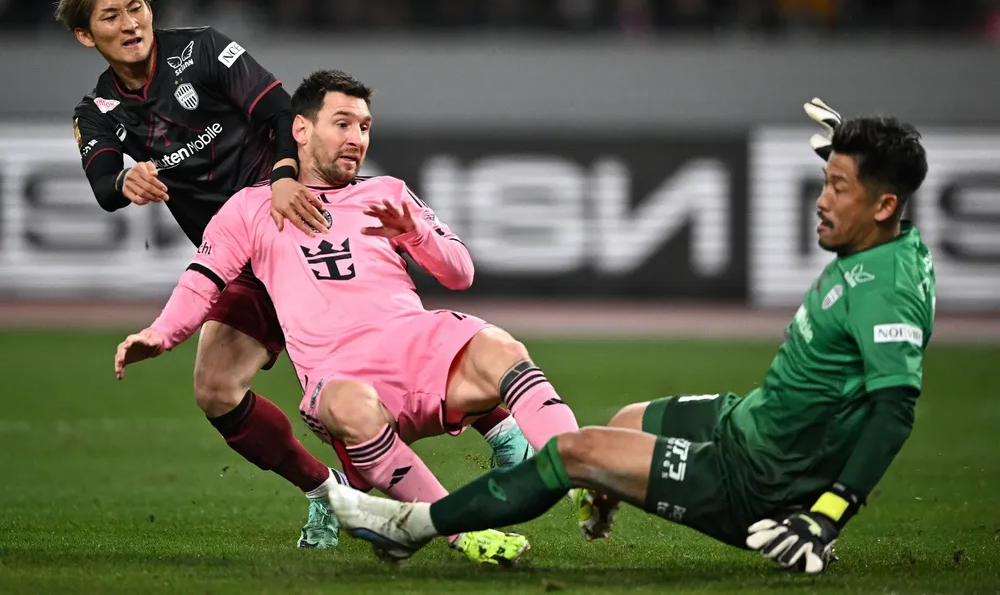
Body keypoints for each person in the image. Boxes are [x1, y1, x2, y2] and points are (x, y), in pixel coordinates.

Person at [322, 98, 935, 575]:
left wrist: (827, 514)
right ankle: (606, 485)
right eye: (825, 180)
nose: (821, 201)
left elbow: (894, 410)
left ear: (883, 206)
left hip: (754, 476)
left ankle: (413, 526)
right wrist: (853, 149)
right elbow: (876, 203)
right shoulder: (887, 242)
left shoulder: (884, 287)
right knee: (627, 420)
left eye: (838, 188)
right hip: (750, 420)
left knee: (574, 453)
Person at [58, 0, 529, 550]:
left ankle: (501, 429)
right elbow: (103, 185)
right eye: (110, 17)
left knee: (374, 345)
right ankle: (327, 494)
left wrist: (283, 175)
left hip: (301, 218)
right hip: (242, 257)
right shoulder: (98, 112)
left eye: (137, 8)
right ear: (84, 34)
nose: (130, 24)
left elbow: (282, 110)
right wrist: (126, 182)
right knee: (215, 390)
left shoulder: (200, 50)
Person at [112, 69, 578, 565]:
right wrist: (161, 334)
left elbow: (460, 273)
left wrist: (416, 233)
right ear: (301, 129)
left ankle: (580, 472)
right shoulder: (250, 208)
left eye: (364, 126)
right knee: (348, 407)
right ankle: (460, 530)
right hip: (341, 374)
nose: (357, 138)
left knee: (504, 349)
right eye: (342, 123)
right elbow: (201, 280)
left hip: (417, 345)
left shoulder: (388, 191)